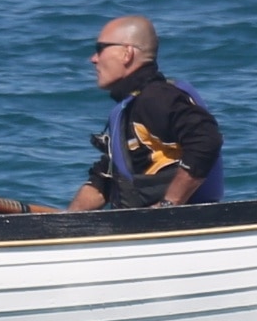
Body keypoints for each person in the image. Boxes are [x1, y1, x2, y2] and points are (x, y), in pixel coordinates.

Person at [69, 14, 224, 210]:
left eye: (100, 49)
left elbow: (206, 139)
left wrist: (169, 205)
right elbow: (104, 182)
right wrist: (65, 224)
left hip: (177, 225)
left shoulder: (155, 98)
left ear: (127, 54)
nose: (93, 59)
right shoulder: (129, 107)